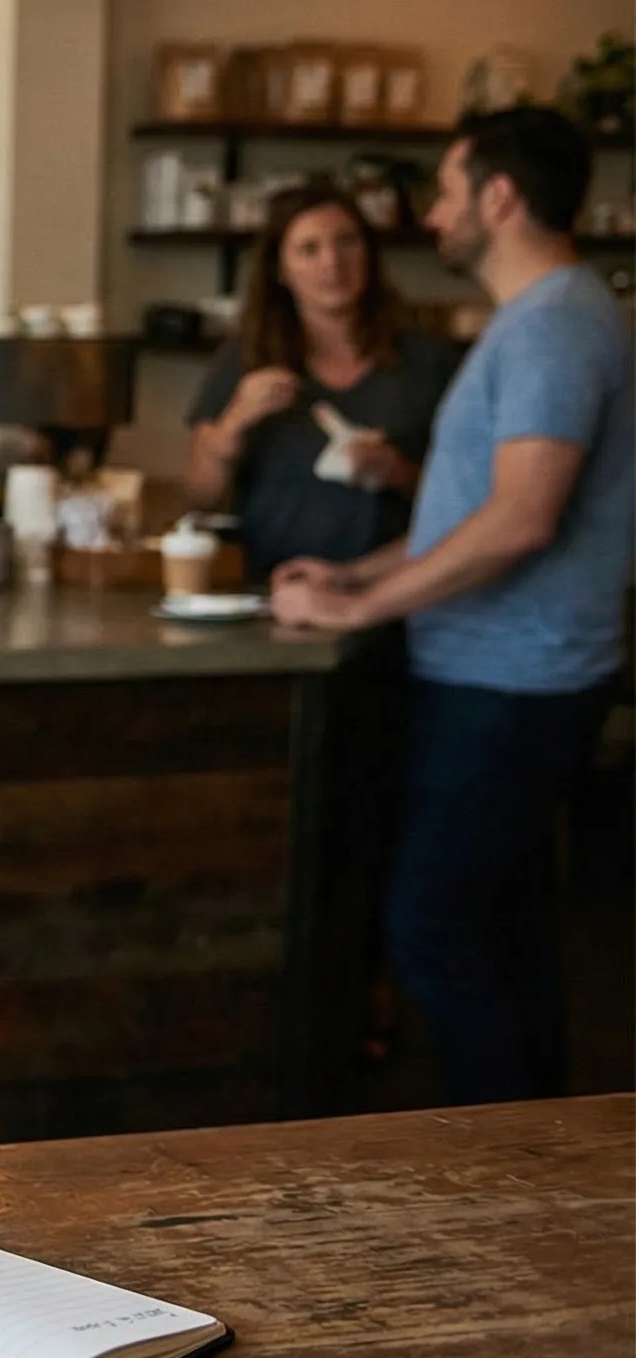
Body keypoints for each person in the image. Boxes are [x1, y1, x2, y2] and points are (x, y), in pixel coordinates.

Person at [271, 108, 633, 1103]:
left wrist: (364, 606)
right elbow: (471, 512)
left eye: (442, 189)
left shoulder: (554, 323)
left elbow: (520, 520)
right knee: (504, 929)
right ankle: (536, 1152)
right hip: (500, 674)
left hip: (509, 682)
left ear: (498, 197)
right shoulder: (541, 318)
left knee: (431, 926)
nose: (429, 212)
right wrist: (356, 575)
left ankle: (499, 1164)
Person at [184, 183, 460, 581]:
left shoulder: (428, 361)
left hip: (399, 596)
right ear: (281, 270)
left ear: (369, 254)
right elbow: (197, 497)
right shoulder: (245, 361)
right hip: (277, 592)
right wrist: (234, 423)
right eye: (308, 250)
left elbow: (471, 503)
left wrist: (398, 472)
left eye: (346, 242)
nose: (332, 263)